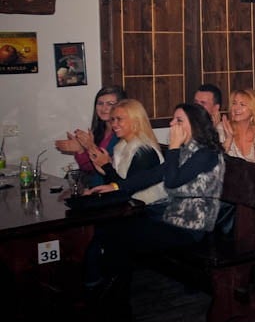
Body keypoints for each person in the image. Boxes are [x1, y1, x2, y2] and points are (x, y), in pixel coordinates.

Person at [86, 103, 225, 280]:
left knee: (120, 236)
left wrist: (173, 147)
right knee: (112, 230)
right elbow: (153, 174)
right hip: (171, 218)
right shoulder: (186, 150)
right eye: (173, 119)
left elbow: (173, 181)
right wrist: (116, 186)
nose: (172, 124)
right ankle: (110, 293)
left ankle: (115, 299)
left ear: (195, 124)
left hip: (190, 228)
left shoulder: (206, 154)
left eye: (179, 120)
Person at [84, 98, 166, 206]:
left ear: (135, 121)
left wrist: (106, 167)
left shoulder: (144, 152)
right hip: (128, 207)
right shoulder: (121, 147)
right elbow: (116, 185)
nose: (114, 124)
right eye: (112, 119)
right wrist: (104, 170)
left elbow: (127, 190)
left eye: (119, 119)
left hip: (147, 210)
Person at [54, 85, 126, 185]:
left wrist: (90, 146)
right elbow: (90, 169)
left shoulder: (123, 134)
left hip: (113, 190)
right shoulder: (98, 131)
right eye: (100, 103)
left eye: (110, 104)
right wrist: (80, 150)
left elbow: (110, 170)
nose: (104, 108)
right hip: (96, 187)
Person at [220, 88, 255, 162]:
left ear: (253, 110)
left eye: (242, 104)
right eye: (234, 103)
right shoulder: (222, 128)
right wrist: (228, 140)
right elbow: (216, 165)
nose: (236, 108)